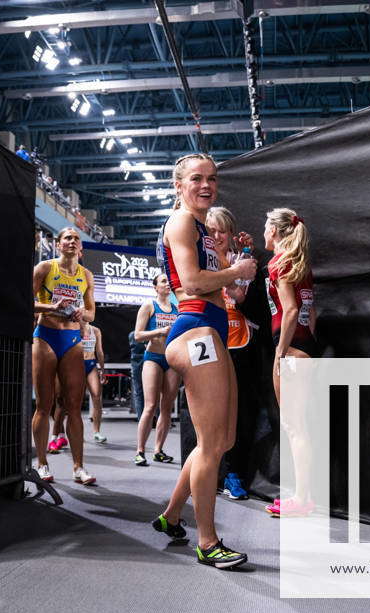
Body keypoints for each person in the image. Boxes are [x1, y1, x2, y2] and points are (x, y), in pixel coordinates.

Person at [151, 153, 257, 569]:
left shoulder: (201, 228)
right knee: (212, 445)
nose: (206, 185)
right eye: (196, 178)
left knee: (222, 440)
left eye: (212, 178)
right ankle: (208, 542)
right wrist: (236, 272)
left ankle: (172, 516)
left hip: (211, 330)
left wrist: (232, 263)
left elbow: (214, 283)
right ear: (179, 185)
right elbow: (193, 283)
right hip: (194, 330)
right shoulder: (180, 222)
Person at [31, 227, 97, 485]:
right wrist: (51, 307)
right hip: (45, 336)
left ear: (80, 247)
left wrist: (83, 314)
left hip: (72, 340)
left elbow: (92, 313)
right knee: (44, 405)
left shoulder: (86, 275)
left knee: (73, 407)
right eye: (67, 238)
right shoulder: (44, 268)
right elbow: (26, 302)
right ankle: (42, 463)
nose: (72, 241)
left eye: (76, 238)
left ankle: (79, 467)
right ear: (58, 244)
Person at [263, 208, 317, 518]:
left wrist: (281, 352)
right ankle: (301, 495)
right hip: (305, 347)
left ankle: (302, 499)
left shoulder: (279, 263)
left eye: (265, 227)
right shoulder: (300, 265)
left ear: (275, 231)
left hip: (292, 349)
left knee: (295, 427)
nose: (263, 233)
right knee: (298, 425)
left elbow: (292, 310)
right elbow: (311, 312)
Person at [204, 206, 258, 502]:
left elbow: (240, 296)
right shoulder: (200, 263)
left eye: (221, 230)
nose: (216, 236)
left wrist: (243, 258)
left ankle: (233, 473)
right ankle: (210, 471)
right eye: (210, 231)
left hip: (239, 345)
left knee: (237, 415)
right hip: (208, 343)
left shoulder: (242, 261)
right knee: (209, 415)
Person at [133, 274, 180, 466]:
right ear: (155, 287)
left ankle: (158, 450)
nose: (167, 284)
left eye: (168, 281)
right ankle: (140, 451)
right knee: (150, 406)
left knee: (166, 407)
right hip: (152, 358)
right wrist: (159, 332)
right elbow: (137, 335)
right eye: (163, 281)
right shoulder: (149, 306)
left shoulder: (178, 309)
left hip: (171, 360)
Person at [80, 322, 108, 444]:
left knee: (97, 396)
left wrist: (102, 370)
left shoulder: (95, 330)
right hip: (76, 365)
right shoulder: (73, 327)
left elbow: (100, 351)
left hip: (91, 363)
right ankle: (76, 433)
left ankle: (97, 432)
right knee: (76, 400)